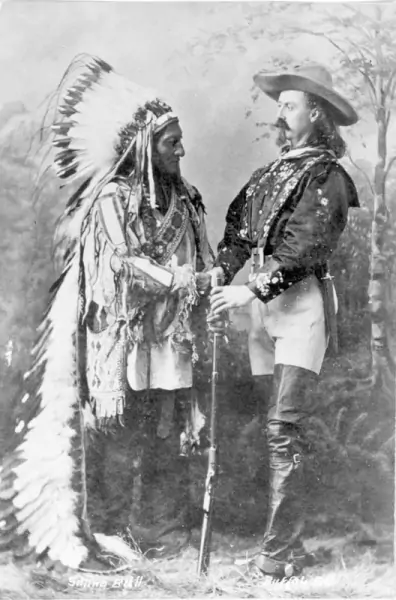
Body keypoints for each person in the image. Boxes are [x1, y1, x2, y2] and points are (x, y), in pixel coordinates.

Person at [0, 55, 217, 571]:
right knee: (119, 434)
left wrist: (206, 290)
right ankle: (107, 530)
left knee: (166, 429)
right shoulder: (111, 202)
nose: (182, 149)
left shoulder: (186, 201)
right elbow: (118, 265)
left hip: (169, 338)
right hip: (120, 337)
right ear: (144, 147)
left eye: (181, 139)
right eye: (171, 142)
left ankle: (159, 529)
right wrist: (180, 280)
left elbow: (201, 258)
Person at [209, 63, 360, 579]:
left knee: (283, 428)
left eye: (289, 104)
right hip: (259, 314)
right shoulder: (267, 176)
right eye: (280, 105)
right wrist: (217, 275)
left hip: (300, 310)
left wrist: (247, 286)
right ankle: (287, 544)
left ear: (315, 114)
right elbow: (236, 235)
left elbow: (301, 251)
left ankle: (276, 555)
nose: (280, 113)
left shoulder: (328, 178)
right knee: (274, 429)